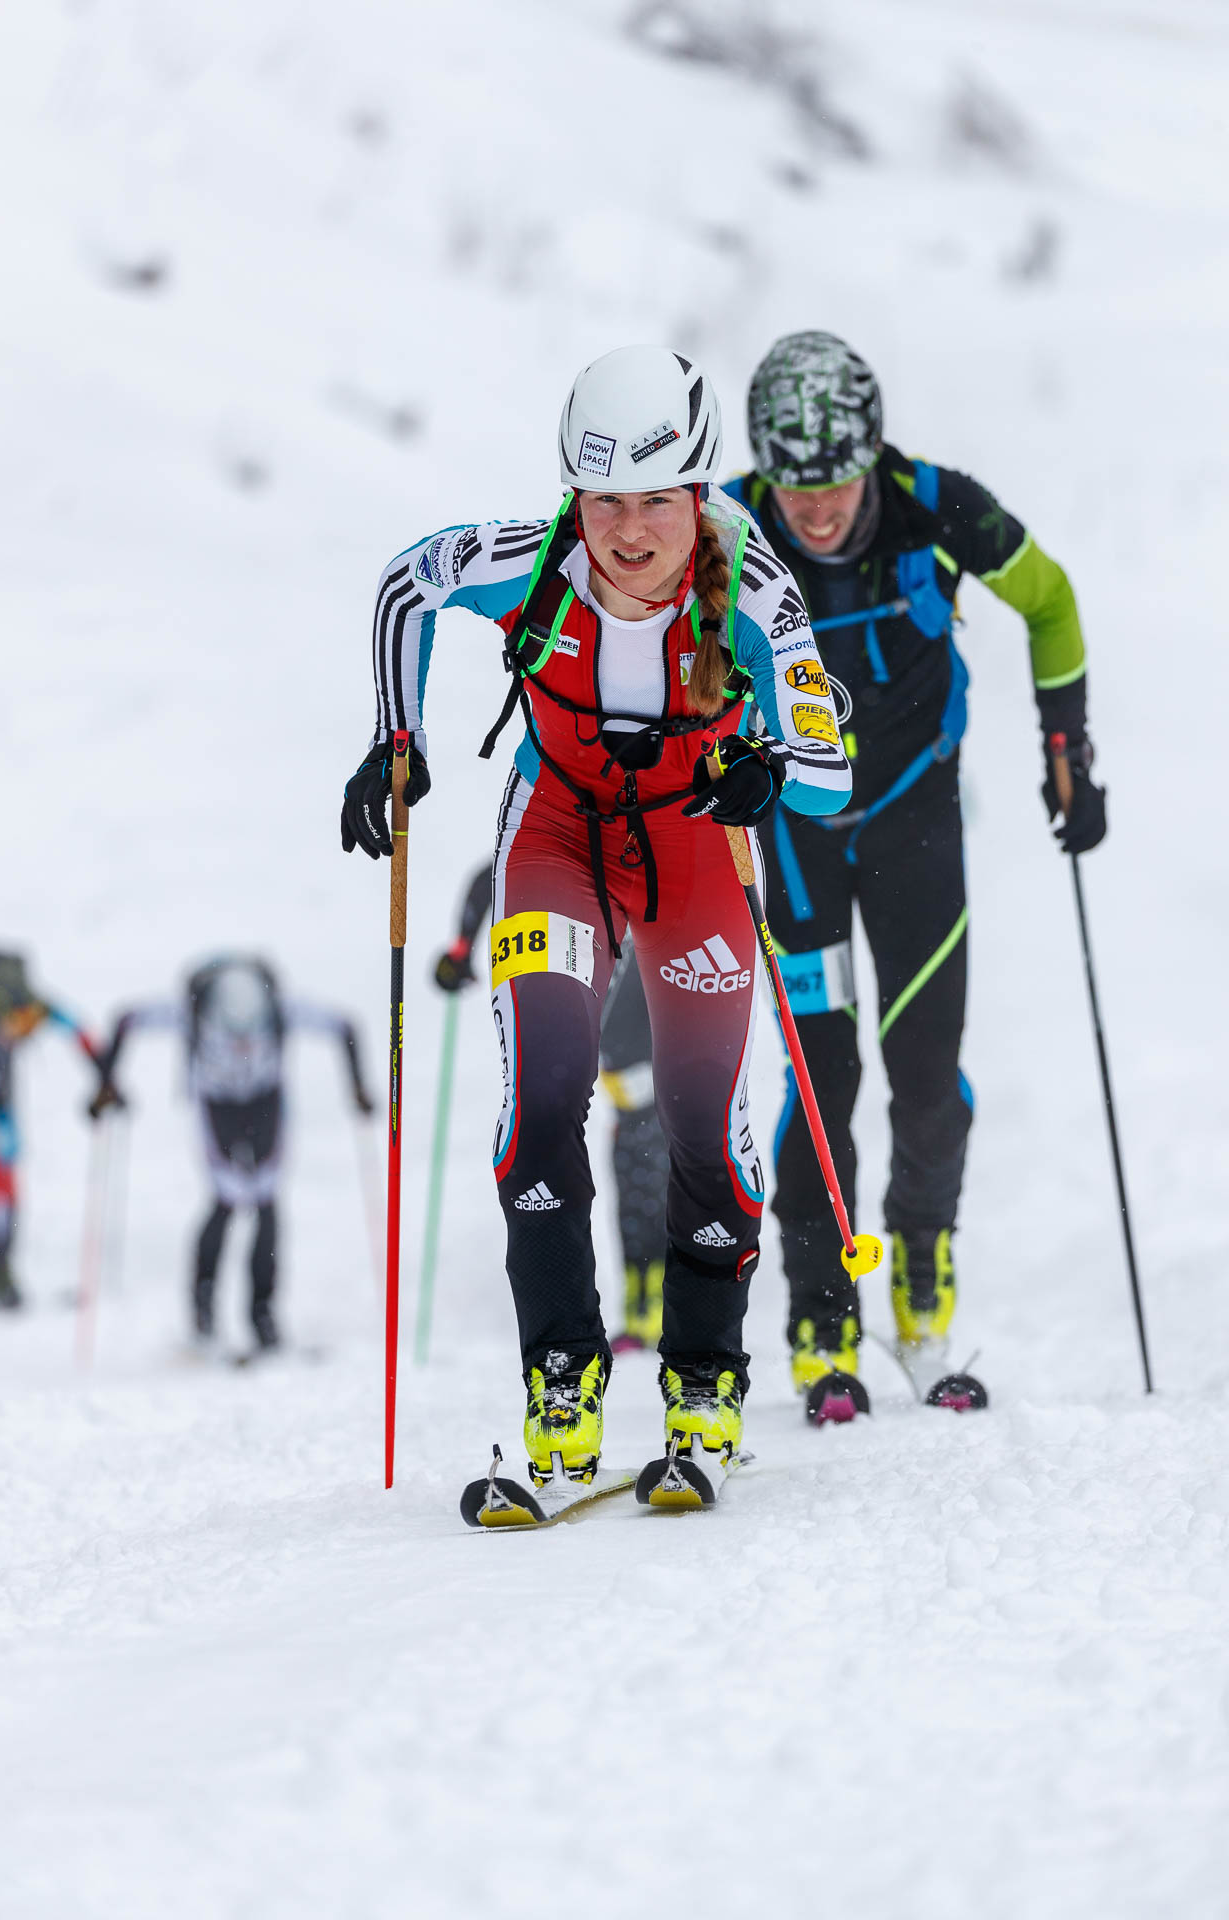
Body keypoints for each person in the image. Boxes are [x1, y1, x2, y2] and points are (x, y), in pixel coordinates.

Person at [342, 345, 851, 1483]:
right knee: (542, 1105)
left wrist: (767, 762)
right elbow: (403, 586)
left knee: (697, 1115)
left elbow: (829, 759)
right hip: (557, 841)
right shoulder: (528, 562)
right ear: (574, 492)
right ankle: (561, 1377)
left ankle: (704, 1376)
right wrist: (395, 738)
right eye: (604, 499)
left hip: (693, 850)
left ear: (698, 490)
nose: (628, 530)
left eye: (657, 500)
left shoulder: (751, 583)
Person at [721, 331, 1106, 1404]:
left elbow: (1051, 599)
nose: (815, 508)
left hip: (912, 821)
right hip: (790, 833)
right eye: (794, 485)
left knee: (925, 1076)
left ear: (869, 454)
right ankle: (819, 1307)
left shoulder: (940, 505)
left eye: (833, 481)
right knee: (818, 1076)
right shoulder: (723, 525)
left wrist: (1064, 748)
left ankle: (923, 1269)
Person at [434, 863, 670, 1351]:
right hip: (602, 1025)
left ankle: (661, 1301)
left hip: (652, 1016)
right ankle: (641, 1301)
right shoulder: (558, 830)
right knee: (626, 1157)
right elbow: (492, 873)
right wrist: (462, 948)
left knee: (651, 1155)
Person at [91, 956, 374, 1351]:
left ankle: (263, 1314)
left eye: (251, 1032)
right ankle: (203, 1307)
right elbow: (127, 1020)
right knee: (225, 1199)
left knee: (266, 1202)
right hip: (217, 1106)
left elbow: (343, 1025)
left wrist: (358, 1086)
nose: (241, 1042)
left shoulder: (280, 1010)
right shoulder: (189, 1012)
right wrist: (106, 1082)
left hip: (266, 1104)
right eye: (229, 1032)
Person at [0, 949, 104, 1309]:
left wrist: (103, 1071)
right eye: (14, 1026)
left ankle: (2, 1270)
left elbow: (74, 1026)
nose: (18, 1036)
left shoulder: (22, 1004)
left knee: (8, 1184)